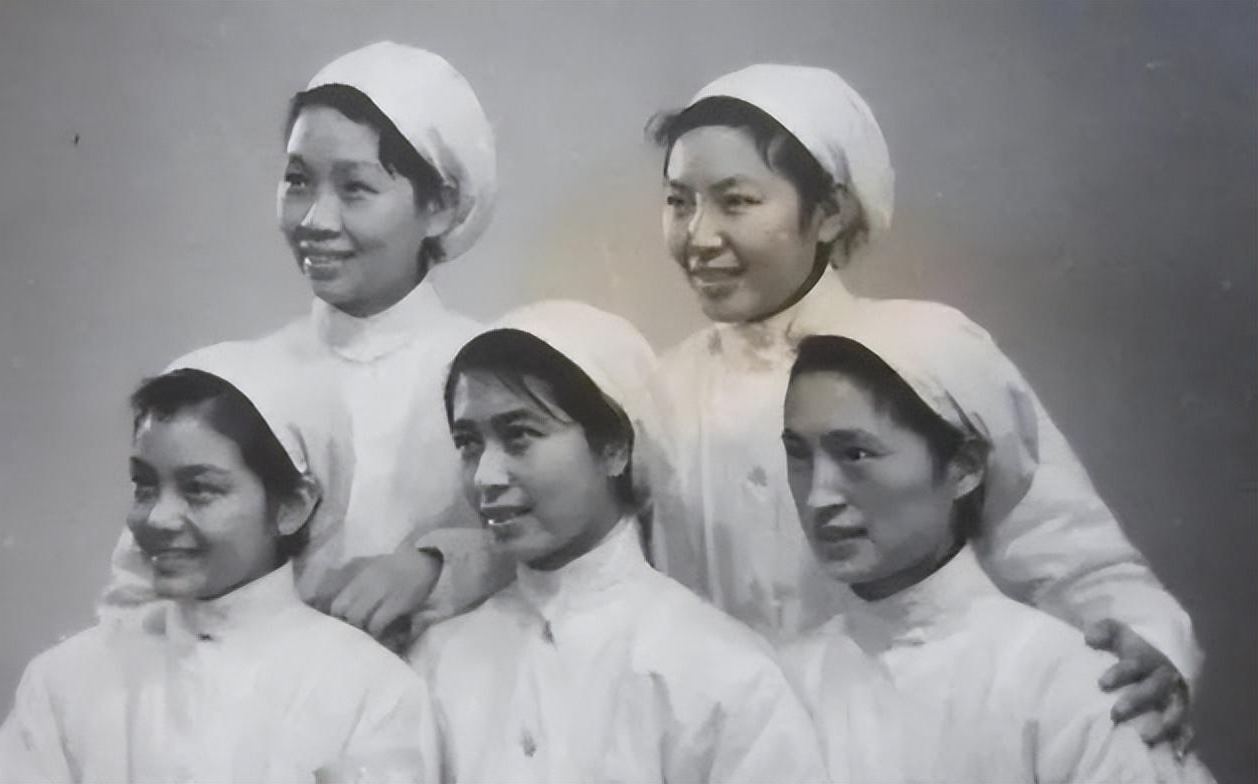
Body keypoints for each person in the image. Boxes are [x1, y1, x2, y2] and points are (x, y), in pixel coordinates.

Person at [648, 63, 1200, 747]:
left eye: (736, 202)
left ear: (830, 212)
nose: (699, 236)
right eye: (678, 202)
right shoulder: (654, 394)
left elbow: (1068, 553)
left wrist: (1147, 645)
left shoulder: (927, 356)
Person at [105, 40, 504, 646]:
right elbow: (135, 595)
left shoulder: (494, 374)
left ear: (441, 206)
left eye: (355, 188)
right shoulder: (236, 383)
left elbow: (556, 555)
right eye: (297, 181)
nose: (315, 219)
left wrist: (438, 564)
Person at [778, 316, 1214, 782]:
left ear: (965, 467)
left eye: (855, 454)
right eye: (799, 455)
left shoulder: (1068, 686)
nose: (818, 496)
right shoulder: (782, 686)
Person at [0, 343, 438, 783]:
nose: (158, 517)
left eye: (199, 489)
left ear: (292, 506)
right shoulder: (68, 680)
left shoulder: (368, 690)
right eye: (145, 486)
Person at [409, 301, 824, 783]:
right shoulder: (440, 663)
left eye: (519, 436)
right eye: (469, 443)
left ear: (614, 448)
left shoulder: (720, 671)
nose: (486, 476)